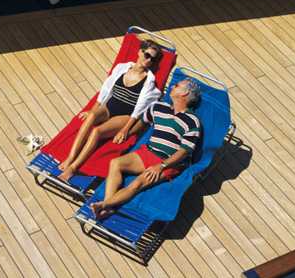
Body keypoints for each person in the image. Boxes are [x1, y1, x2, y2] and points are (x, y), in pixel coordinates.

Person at [90, 78, 201, 219]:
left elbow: (185, 151)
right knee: (115, 163)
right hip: (147, 152)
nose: (172, 86)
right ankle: (108, 205)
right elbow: (142, 123)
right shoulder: (158, 107)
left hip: (168, 162)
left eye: (177, 85)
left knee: (137, 184)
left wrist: (161, 166)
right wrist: (125, 132)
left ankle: (104, 205)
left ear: (184, 93)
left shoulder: (192, 121)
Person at [58, 40, 164, 181]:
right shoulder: (122, 68)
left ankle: (73, 167)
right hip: (108, 108)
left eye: (153, 59)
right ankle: (70, 158)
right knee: (90, 118)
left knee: (97, 131)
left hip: (124, 116)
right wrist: (93, 110)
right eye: (147, 55)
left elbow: (139, 109)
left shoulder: (148, 82)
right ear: (139, 52)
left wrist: (125, 129)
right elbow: (106, 89)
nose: (149, 60)